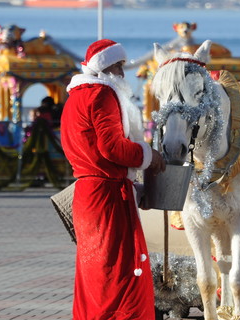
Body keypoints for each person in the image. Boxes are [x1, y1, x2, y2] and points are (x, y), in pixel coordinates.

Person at [60, 39, 166, 320]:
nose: (123, 73)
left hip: (89, 193)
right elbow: (113, 147)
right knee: (121, 274)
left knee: (96, 274)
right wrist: (149, 155)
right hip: (107, 198)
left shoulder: (74, 98)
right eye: (119, 66)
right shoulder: (102, 95)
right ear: (106, 68)